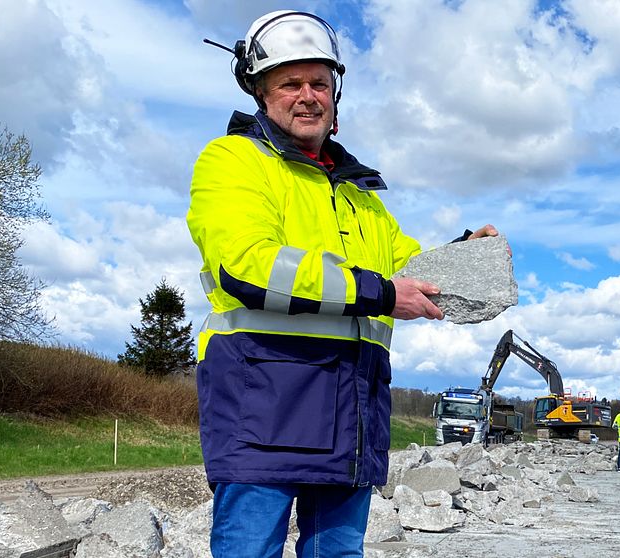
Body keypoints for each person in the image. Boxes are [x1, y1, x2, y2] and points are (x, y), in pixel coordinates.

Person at [187, 10, 498, 557]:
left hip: (352, 411)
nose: (308, 96)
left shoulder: (360, 196)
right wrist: (378, 294)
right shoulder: (234, 160)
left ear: (335, 95)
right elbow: (247, 266)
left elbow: (407, 268)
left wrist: (466, 256)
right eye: (290, 83)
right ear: (261, 93)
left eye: (319, 83)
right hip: (266, 405)